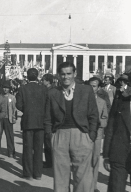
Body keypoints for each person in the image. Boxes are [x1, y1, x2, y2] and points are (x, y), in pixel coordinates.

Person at [45, 62, 99, 192]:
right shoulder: (52, 93)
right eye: (62, 74)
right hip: (60, 136)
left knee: (83, 177)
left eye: (69, 73)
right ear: (58, 76)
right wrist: (51, 137)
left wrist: (90, 136)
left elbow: (93, 115)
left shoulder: (86, 90)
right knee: (60, 177)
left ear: (74, 74)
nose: (66, 77)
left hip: (81, 135)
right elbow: (47, 119)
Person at [103, 68, 131, 192]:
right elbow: (110, 128)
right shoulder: (120, 103)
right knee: (116, 188)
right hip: (119, 153)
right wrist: (106, 155)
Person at [16, 68, 47, 180]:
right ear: (37, 76)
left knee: (27, 149)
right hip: (40, 122)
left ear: (27, 76)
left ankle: (27, 173)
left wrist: (27, 110)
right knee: (39, 149)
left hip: (28, 121)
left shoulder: (22, 89)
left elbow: (18, 105)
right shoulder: (43, 89)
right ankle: (37, 174)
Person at [87, 77, 109, 192]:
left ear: (99, 88)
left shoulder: (102, 101)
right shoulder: (82, 100)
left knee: (95, 160)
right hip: (85, 134)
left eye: (94, 86)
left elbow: (105, 118)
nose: (91, 88)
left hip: (97, 134)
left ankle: (94, 185)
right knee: (84, 159)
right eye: (90, 85)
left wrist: (101, 123)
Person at [0, 81, 16, 158]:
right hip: (0, 119)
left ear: (9, 89)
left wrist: (13, 118)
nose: (5, 89)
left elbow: (14, 109)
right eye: (4, 88)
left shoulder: (12, 97)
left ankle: (11, 152)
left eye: (7, 88)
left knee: (9, 136)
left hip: (8, 119)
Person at [41, 73, 54, 168]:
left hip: (48, 120)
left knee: (48, 142)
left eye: (43, 80)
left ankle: (50, 162)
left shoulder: (49, 91)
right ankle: (49, 161)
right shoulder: (50, 90)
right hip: (48, 120)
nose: (42, 81)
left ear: (48, 81)